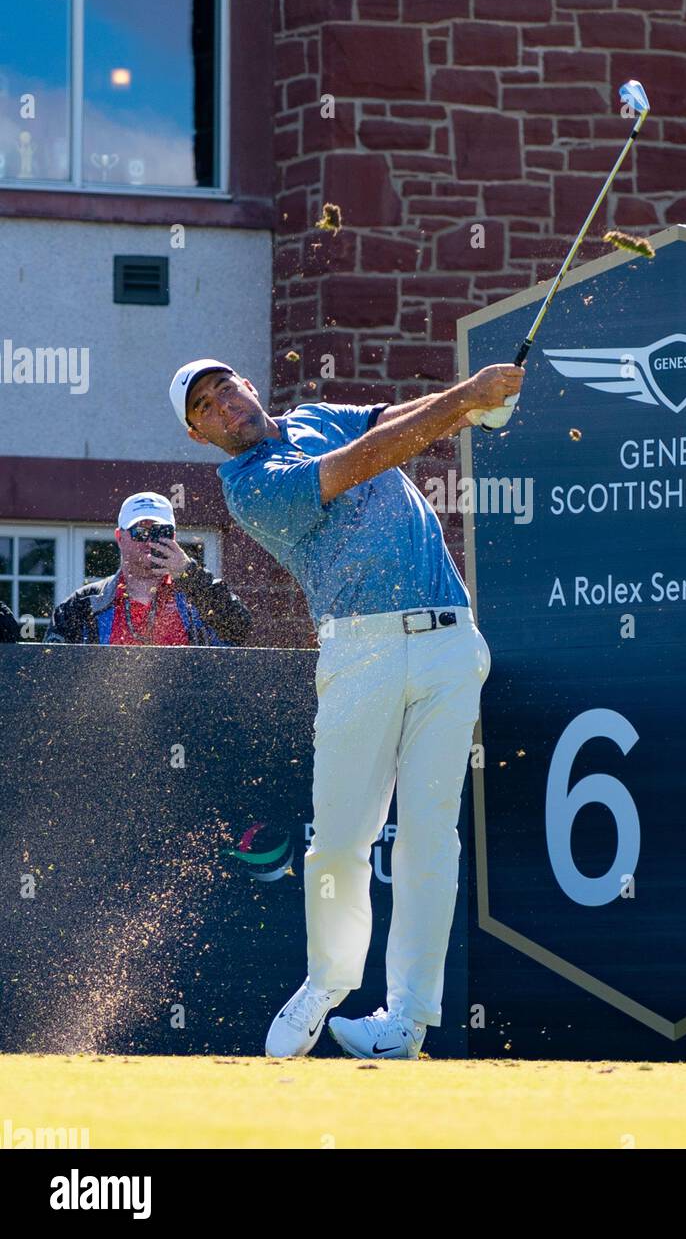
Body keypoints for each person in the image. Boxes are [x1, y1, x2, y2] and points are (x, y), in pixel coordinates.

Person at [168, 356, 524, 1060]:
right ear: (201, 436)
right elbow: (366, 459)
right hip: (359, 652)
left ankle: (408, 1022)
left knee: (430, 839)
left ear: (247, 383)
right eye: (204, 407)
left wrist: (476, 407)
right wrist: (468, 398)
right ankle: (326, 983)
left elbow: (387, 420)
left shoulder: (316, 417)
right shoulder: (248, 487)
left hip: (450, 640)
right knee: (339, 842)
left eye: (225, 388)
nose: (224, 405)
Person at [47, 492, 251, 647]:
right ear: (119, 538)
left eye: (160, 532)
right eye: (140, 532)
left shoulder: (197, 596)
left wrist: (190, 574)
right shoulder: (83, 604)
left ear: (173, 537)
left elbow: (241, 630)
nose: (150, 541)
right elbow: (52, 668)